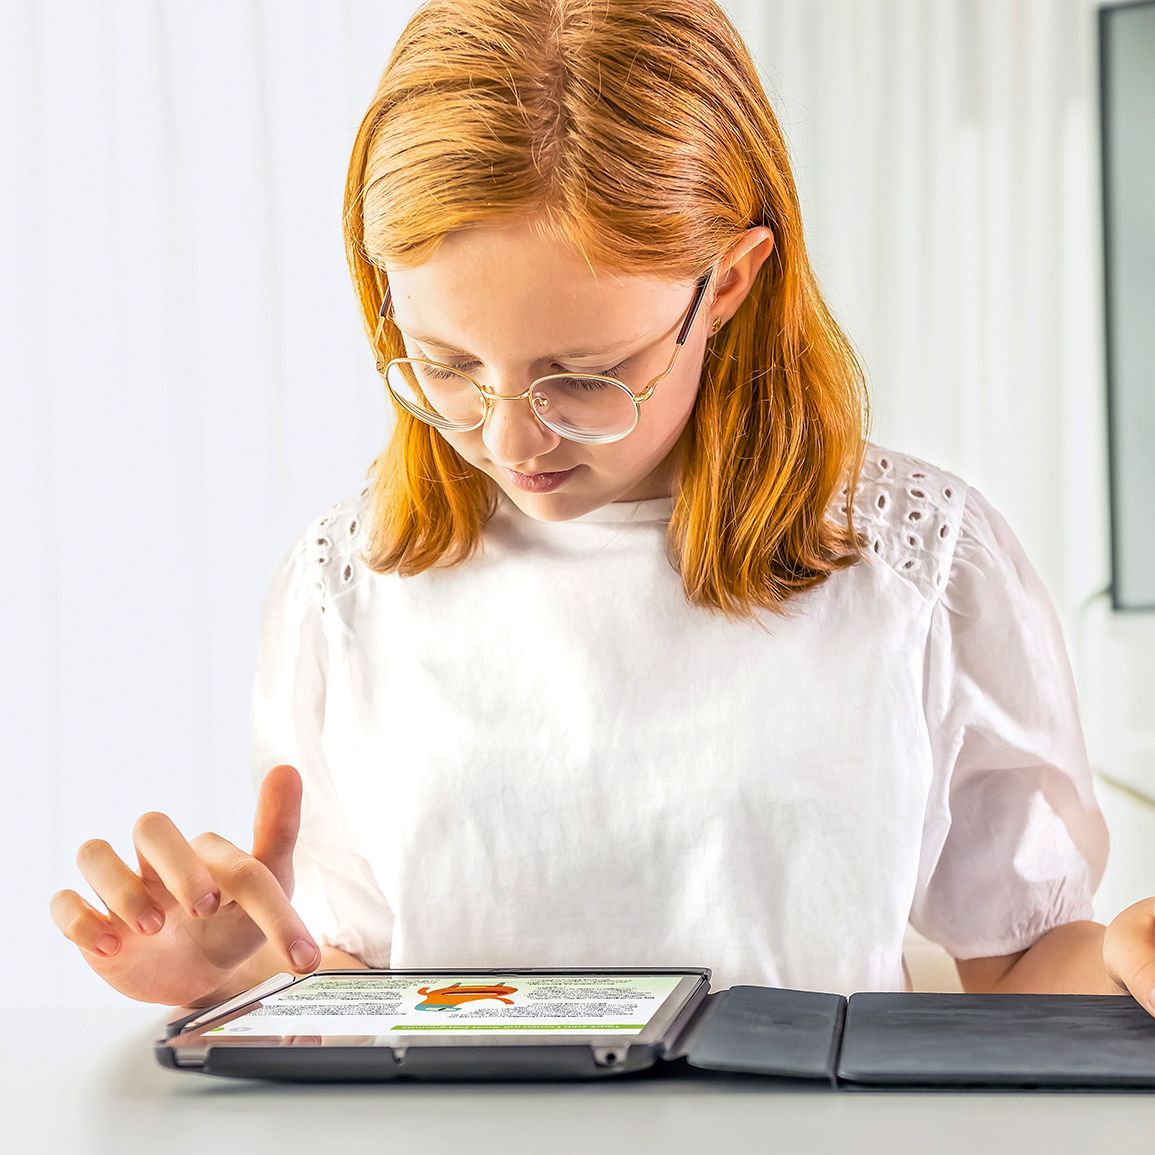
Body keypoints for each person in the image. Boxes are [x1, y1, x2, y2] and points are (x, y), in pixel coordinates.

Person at [49, 0, 1155, 1016]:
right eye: (445, 365)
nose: (510, 440)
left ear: (727, 283)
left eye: (582, 374)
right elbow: (366, 975)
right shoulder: (351, 583)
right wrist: (247, 981)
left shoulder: (916, 564)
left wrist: (1122, 961)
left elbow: (1018, 968)